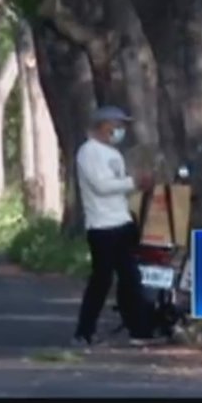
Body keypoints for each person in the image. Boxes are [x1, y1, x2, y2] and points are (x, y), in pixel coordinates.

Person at [72, 106, 158, 347]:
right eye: (116, 125)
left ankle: (139, 329)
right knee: (102, 279)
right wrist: (134, 182)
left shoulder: (114, 154)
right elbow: (102, 186)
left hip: (122, 222)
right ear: (102, 126)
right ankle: (84, 330)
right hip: (102, 226)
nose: (120, 130)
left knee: (130, 278)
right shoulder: (89, 152)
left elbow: (120, 187)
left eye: (123, 126)